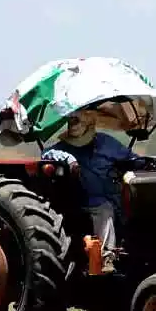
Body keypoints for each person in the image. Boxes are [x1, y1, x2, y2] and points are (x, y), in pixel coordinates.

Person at [41, 111, 140, 272]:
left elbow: (132, 158)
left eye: (77, 121)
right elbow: (46, 153)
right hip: (80, 201)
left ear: (90, 127)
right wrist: (69, 159)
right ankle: (106, 258)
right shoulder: (64, 147)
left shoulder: (106, 143)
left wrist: (139, 166)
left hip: (115, 200)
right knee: (104, 209)